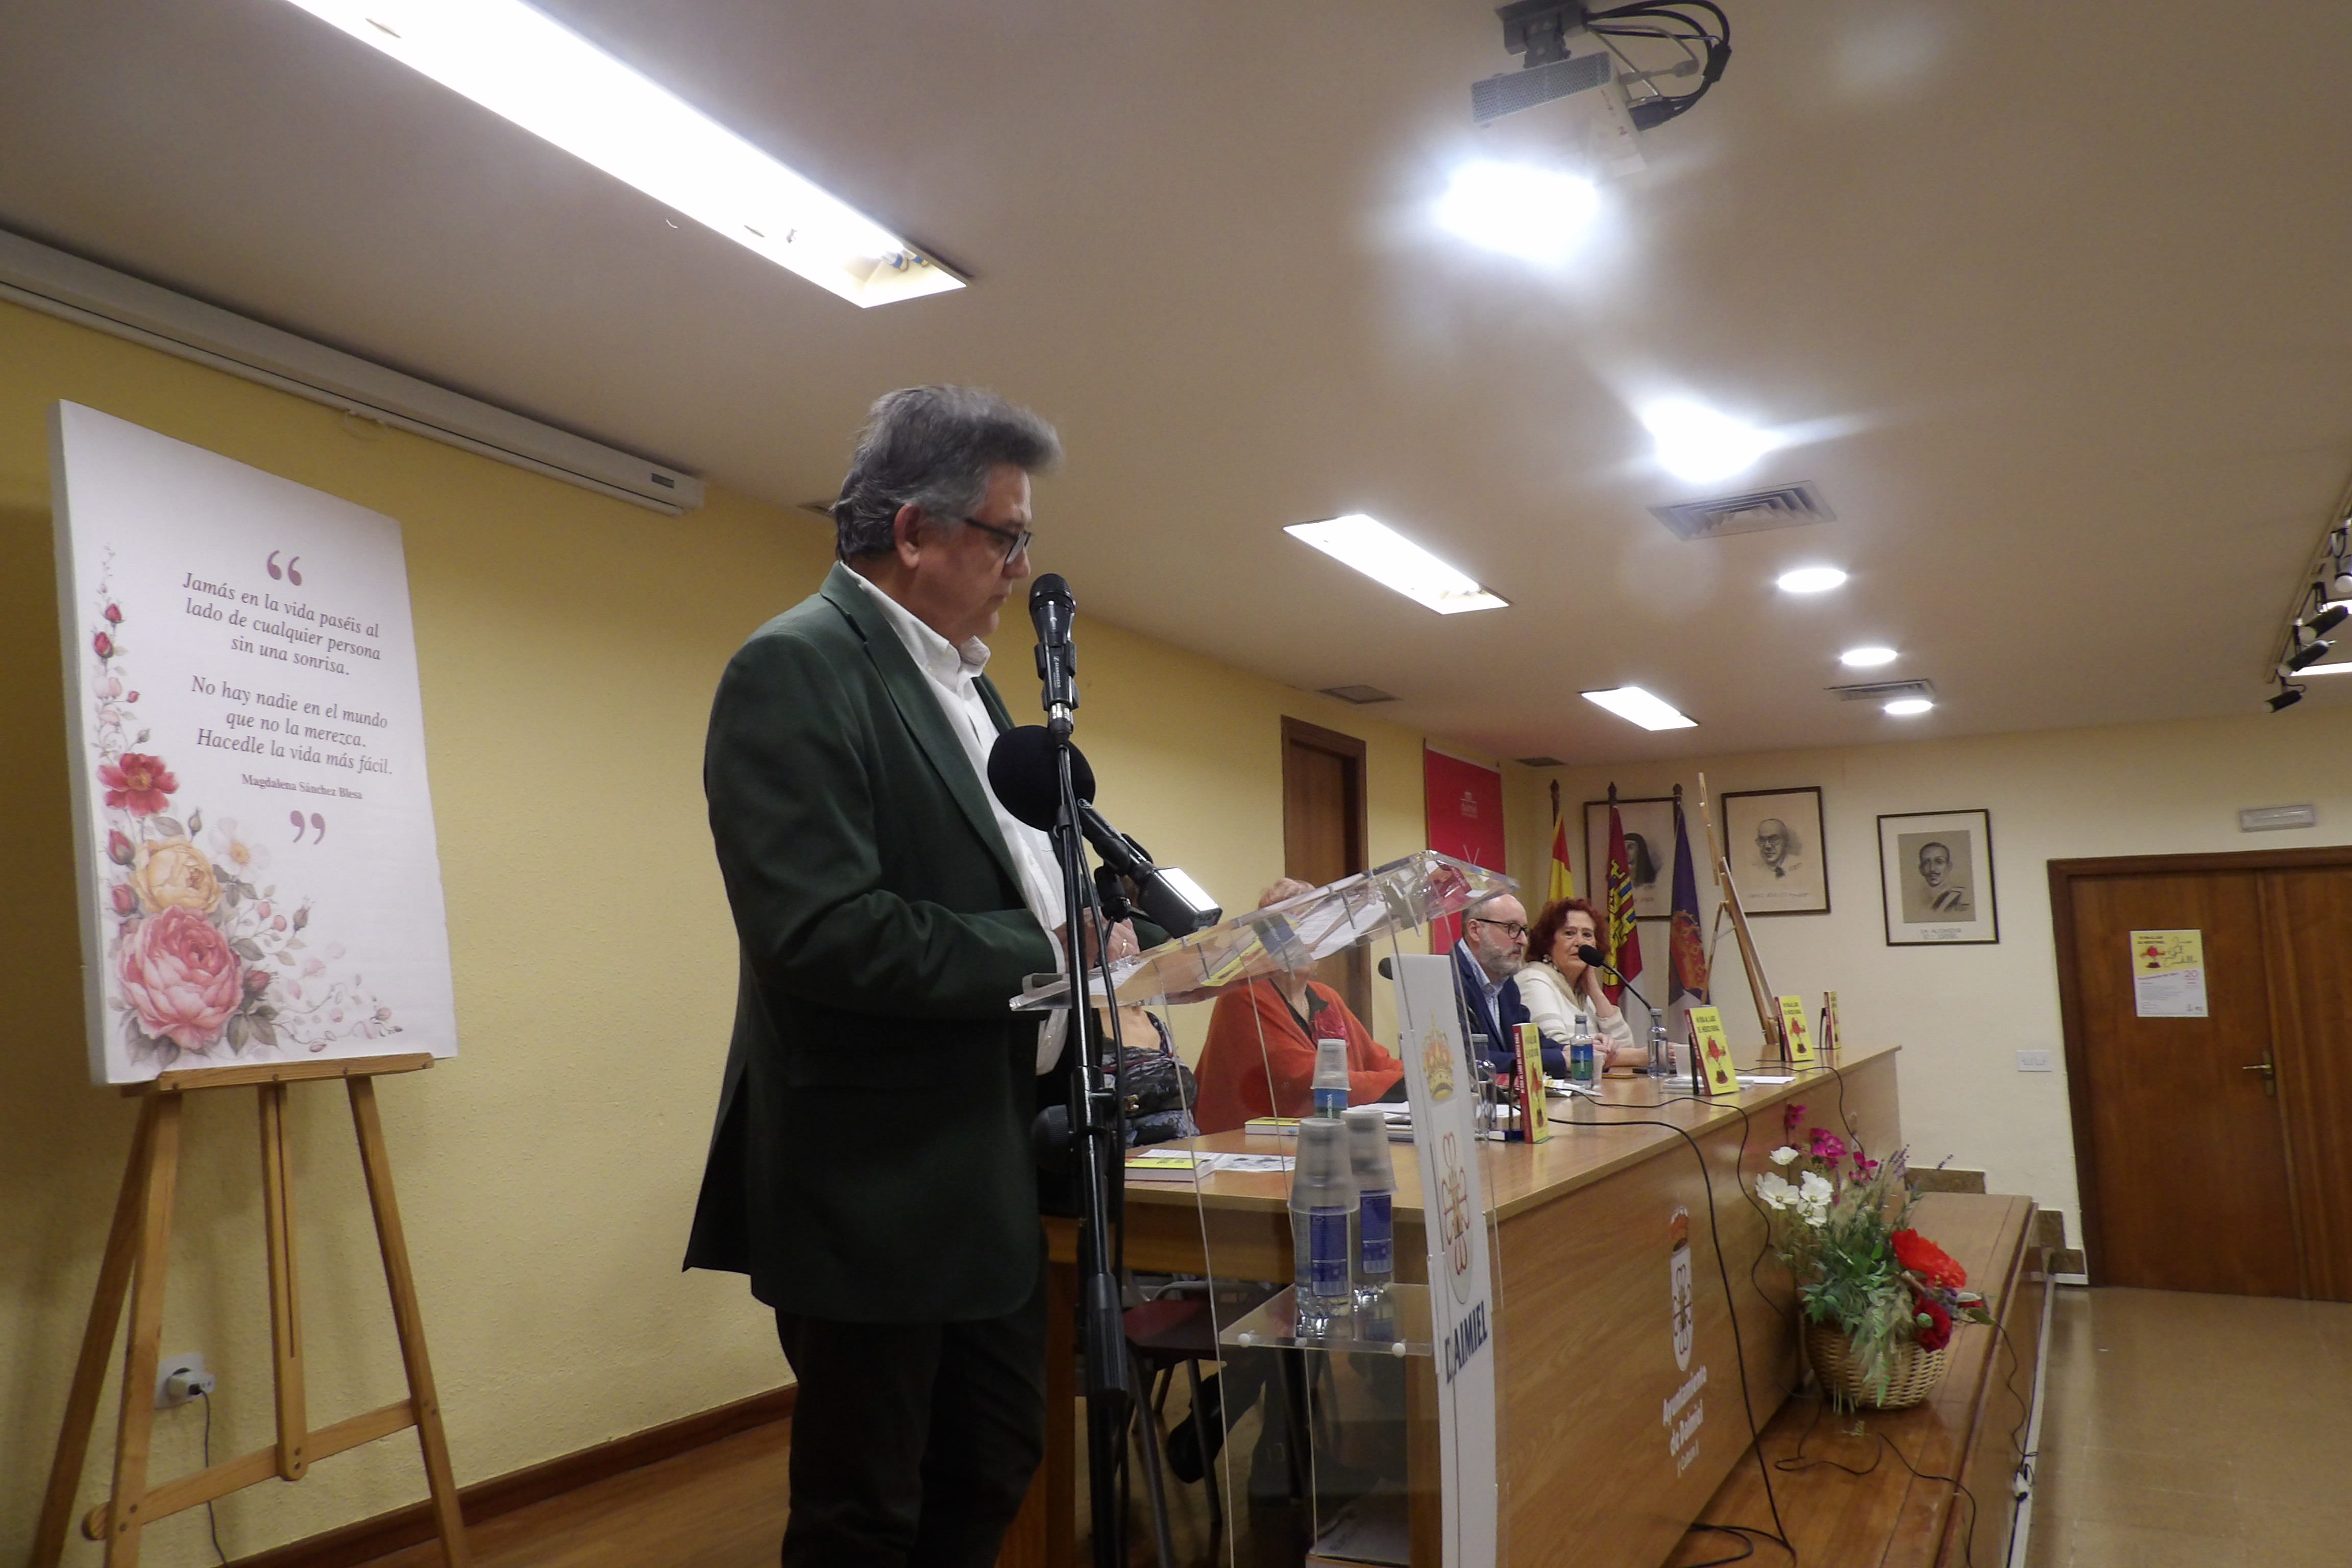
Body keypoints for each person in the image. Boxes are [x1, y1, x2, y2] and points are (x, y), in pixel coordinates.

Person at [684, 385, 1088, 1568]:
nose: (1021, 564)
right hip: (873, 1175)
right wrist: (1047, 953)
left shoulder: (971, 687)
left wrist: (1095, 919)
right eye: (1008, 534)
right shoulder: (794, 666)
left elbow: (995, 878)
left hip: (984, 1154)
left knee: (994, 1457)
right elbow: (821, 929)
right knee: (867, 1508)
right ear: (915, 531)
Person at [1192, 877, 1406, 1134]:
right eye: (1291, 931)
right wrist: (1401, 1082)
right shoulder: (1242, 996)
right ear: (1265, 939)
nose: (1306, 941)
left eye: (1315, 930)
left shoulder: (1325, 996)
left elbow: (1377, 1059)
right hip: (1247, 1147)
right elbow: (1308, 1081)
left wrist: (1413, 1077)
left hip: (1319, 1136)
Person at [1514, 897, 1643, 1068]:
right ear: (1548, 942)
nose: (1580, 942)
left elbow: (1625, 1046)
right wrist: (1645, 1056)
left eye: (1587, 935)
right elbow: (1560, 1051)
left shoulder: (1583, 992)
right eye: (1569, 933)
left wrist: (1595, 992)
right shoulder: (1534, 979)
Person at [1450, 892, 1566, 1079]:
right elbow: (1466, 1060)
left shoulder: (1505, 981)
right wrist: (1558, 1060)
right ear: (1475, 930)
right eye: (1512, 928)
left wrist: (1578, 1050)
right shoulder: (1447, 980)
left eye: (1524, 931)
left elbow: (1530, 1041)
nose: (1523, 941)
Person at [1918, 841, 1971, 915]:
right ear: (1921, 869)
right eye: (1926, 863)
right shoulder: (1918, 903)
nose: (1932, 869)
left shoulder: (1962, 898)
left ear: (1949, 867)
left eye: (1939, 862)